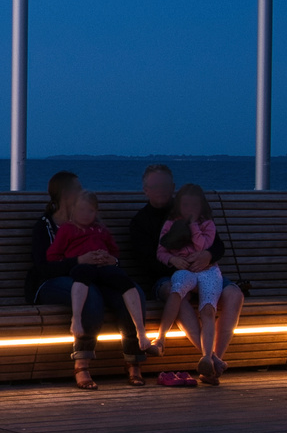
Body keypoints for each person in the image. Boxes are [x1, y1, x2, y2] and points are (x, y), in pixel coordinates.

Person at [124, 164, 246, 384]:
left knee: (234, 294)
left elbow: (217, 245)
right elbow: (147, 262)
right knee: (178, 293)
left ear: (172, 187)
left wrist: (207, 255)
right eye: (155, 186)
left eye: (164, 186)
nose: (160, 190)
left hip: (204, 270)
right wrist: (176, 263)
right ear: (145, 190)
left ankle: (211, 361)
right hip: (167, 276)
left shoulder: (189, 209)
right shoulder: (141, 222)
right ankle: (212, 361)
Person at [44, 190, 151, 388]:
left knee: (127, 286)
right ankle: (81, 358)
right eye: (81, 210)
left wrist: (112, 260)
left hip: (104, 269)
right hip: (82, 269)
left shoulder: (101, 230)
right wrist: (77, 259)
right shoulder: (68, 229)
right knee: (89, 295)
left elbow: (114, 251)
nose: (86, 214)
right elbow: (52, 256)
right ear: (73, 210)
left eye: (90, 211)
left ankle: (136, 352)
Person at [151, 184, 225, 384]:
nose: (189, 209)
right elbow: (161, 251)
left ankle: (207, 357)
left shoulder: (207, 224)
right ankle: (160, 338)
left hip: (208, 271)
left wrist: (192, 224)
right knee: (177, 290)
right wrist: (173, 260)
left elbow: (203, 246)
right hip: (184, 270)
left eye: (194, 205)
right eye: (185, 205)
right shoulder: (170, 224)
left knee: (208, 309)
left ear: (202, 207)